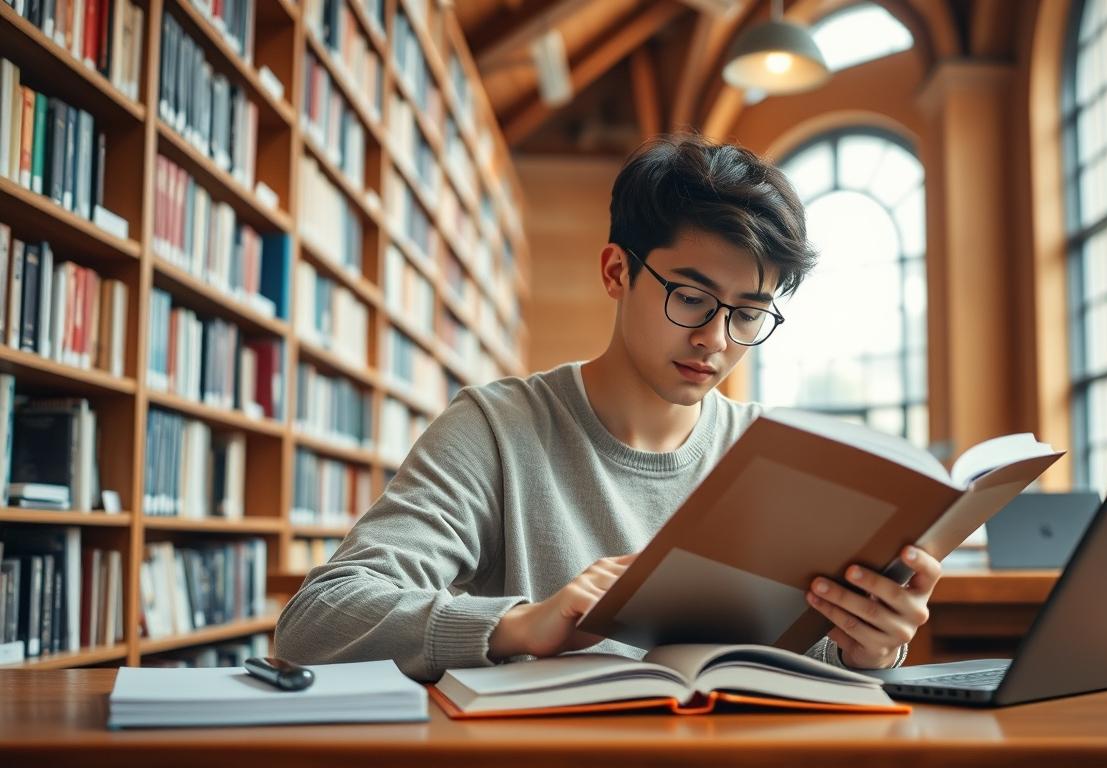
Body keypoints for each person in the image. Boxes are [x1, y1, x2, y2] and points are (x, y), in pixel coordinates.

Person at [274, 134, 942, 680]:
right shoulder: (496, 429)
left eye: (748, 314)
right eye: (690, 297)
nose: (715, 339)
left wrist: (870, 648)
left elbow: (794, 665)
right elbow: (316, 621)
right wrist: (518, 625)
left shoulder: (772, 457)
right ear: (616, 272)